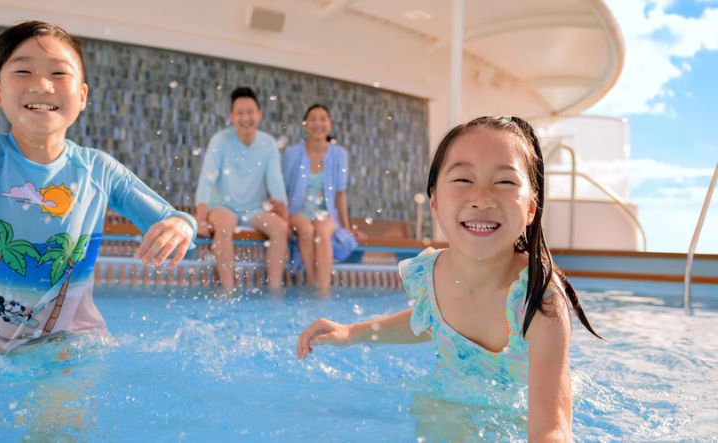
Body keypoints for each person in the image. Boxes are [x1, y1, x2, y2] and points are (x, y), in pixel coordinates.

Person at [296, 116, 601, 441]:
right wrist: (349, 332)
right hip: (443, 406)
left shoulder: (538, 303)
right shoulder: (432, 273)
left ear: (530, 209)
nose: (482, 197)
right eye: (462, 180)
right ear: (435, 202)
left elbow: (550, 427)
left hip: (513, 420)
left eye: (505, 182)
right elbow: (431, 320)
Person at [0, 21, 195, 353]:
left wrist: (180, 226)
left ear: (81, 96)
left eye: (59, 74)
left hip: (76, 344)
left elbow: (172, 217)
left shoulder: (97, 170)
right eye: (23, 72)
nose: (42, 85)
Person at [194, 87, 289, 290]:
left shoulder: (269, 144)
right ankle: (229, 289)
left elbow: (275, 181)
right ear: (232, 117)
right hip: (221, 206)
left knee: (280, 228)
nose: (245, 117)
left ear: (259, 114)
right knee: (225, 223)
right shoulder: (220, 140)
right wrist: (201, 218)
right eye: (240, 113)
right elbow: (206, 179)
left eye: (250, 112)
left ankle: (275, 290)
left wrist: (285, 217)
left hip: (253, 210)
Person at [282, 104, 362, 290]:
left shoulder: (339, 154)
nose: (318, 123)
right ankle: (311, 281)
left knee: (323, 232)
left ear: (330, 123)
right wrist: (284, 219)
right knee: (307, 230)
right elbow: (283, 190)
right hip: (298, 212)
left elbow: (341, 194)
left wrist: (347, 226)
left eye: (323, 118)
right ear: (305, 124)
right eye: (313, 119)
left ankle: (323, 291)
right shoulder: (292, 154)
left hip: (326, 214)